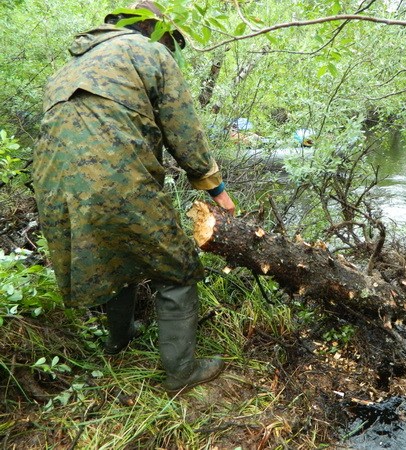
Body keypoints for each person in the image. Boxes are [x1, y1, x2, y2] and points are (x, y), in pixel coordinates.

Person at [32, 1, 235, 395]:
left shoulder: (67, 69)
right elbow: (183, 129)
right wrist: (215, 187)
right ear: (152, 28)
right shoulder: (148, 51)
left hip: (53, 185)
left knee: (112, 255)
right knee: (177, 268)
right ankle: (182, 372)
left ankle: (118, 343)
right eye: (169, 37)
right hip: (114, 175)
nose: (170, 45)